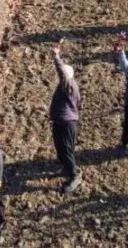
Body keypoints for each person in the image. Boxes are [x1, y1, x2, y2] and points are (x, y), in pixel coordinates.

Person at [50, 42, 82, 192]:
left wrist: (56, 56)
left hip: (66, 124)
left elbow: (61, 72)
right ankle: (67, 166)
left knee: (67, 150)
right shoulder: (67, 86)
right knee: (61, 148)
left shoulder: (68, 86)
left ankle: (74, 176)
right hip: (60, 122)